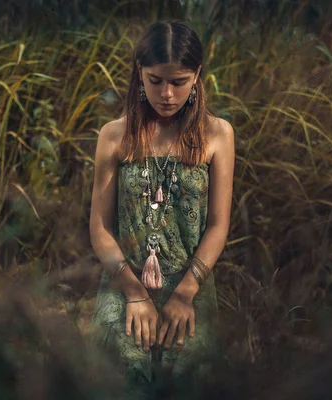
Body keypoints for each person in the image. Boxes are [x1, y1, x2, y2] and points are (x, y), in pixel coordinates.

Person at [89, 20, 235, 398]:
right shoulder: (114, 135)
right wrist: (134, 294)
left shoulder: (217, 134)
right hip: (125, 280)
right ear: (140, 72)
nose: (167, 94)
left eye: (179, 81)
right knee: (120, 374)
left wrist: (186, 293)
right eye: (155, 81)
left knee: (189, 378)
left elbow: (218, 225)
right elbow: (101, 229)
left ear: (198, 75)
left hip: (191, 281)